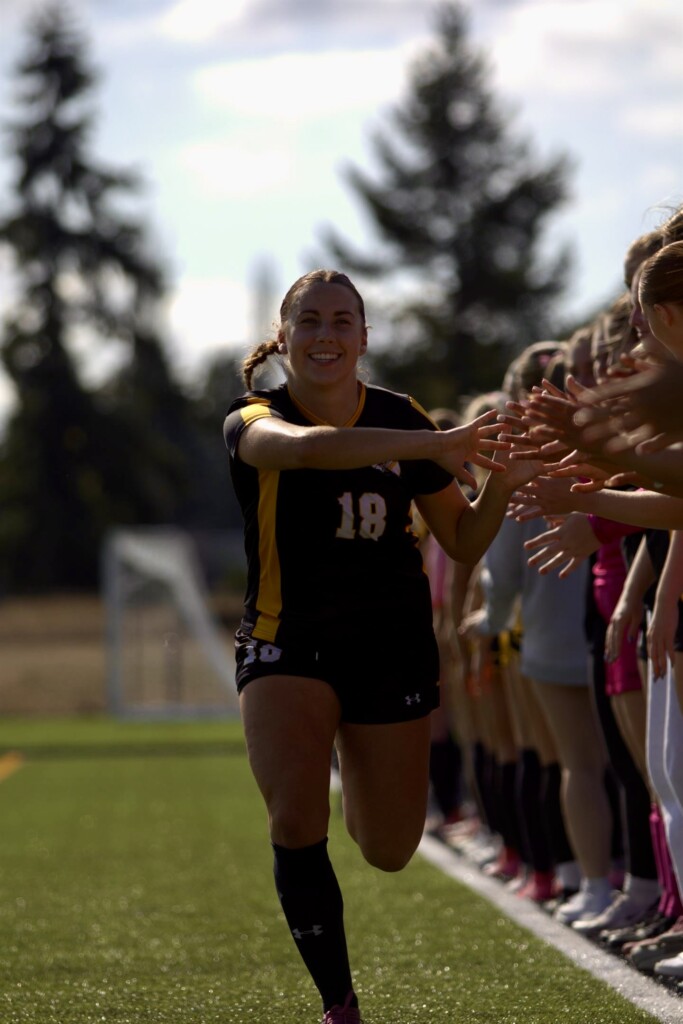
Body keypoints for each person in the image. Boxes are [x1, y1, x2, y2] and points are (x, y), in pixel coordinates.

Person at [222, 269, 533, 1023]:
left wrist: (503, 478)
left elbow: (460, 541)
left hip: (389, 644)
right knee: (296, 822)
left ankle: (346, 759)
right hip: (285, 638)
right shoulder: (253, 415)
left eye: (341, 322)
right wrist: (443, 441)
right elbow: (304, 452)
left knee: (389, 847)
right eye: (310, 321)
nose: (325, 335)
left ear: (363, 338)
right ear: (284, 333)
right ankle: (339, 1004)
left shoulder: (405, 416)